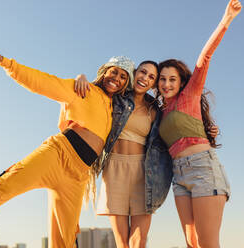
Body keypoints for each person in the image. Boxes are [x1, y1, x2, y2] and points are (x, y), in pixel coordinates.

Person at [0, 44, 135, 248]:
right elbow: (42, 82)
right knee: (5, 185)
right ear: (104, 71)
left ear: (127, 83)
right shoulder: (82, 90)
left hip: (78, 175)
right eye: (114, 71)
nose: (117, 78)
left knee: (65, 237)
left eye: (123, 76)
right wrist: (7, 64)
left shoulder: (117, 109)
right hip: (58, 154)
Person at [74, 63, 220, 248]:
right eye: (143, 72)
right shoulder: (115, 98)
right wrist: (81, 77)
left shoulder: (155, 111)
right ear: (134, 74)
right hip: (113, 171)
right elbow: (95, 91)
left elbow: (176, 128)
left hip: (143, 173)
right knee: (121, 242)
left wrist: (205, 132)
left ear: (154, 84)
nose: (145, 78)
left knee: (139, 241)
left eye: (152, 77)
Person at [156, 0, 242, 247]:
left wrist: (225, 20)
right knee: (192, 244)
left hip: (203, 169)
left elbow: (204, 58)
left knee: (207, 243)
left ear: (181, 81)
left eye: (172, 79)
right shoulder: (159, 112)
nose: (167, 84)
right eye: (162, 79)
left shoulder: (190, 95)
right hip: (179, 175)